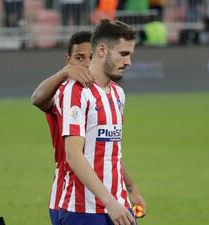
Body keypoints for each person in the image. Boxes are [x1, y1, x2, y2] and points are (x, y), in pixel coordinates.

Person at [56, 19, 146, 225]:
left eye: (130, 54)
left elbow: (110, 151)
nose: (129, 61)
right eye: (123, 54)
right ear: (102, 50)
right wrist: (109, 201)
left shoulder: (118, 93)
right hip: (84, 210)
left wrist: (131, 189)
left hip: (119, 204)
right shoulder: (75, 91)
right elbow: (73, 155)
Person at [31, 31, 94, 225]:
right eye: (79, 58)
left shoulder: (108, 96)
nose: (85, 64)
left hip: (102, 192)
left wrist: (130, 187)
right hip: (67, 195)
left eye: (90, 58)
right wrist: (65, 72)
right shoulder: (62, 94)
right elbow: (37, 98)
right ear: (68, 59)